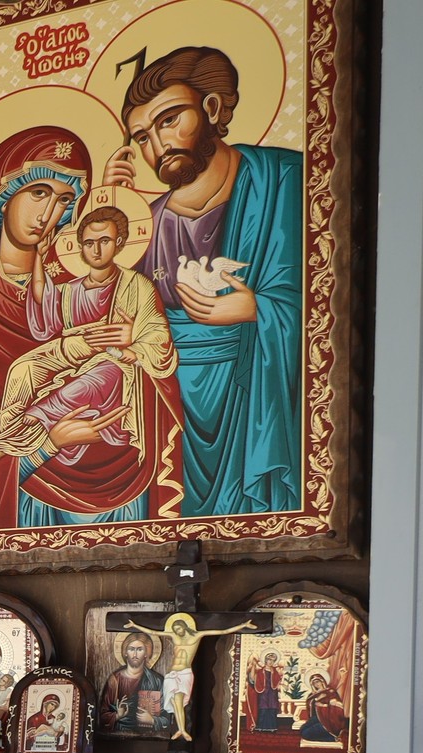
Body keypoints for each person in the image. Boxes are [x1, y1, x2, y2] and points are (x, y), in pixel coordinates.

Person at [104, 46, 301, 517]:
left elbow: (324, 306)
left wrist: (258, 309)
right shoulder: (141, 228)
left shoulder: (286, 181)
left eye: (170, 119)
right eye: (142, 137)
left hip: (251, 400)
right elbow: (109, 322)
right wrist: (109, 207)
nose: (158, 144)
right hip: (173, 415)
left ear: (211, 109)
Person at [0, 204, 181, 526]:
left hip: (115, 363)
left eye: (104, 241)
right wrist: (39, 256)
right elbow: (44, 309)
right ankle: (11, 435)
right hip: (71, 353)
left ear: (120, 242)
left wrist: (130, 341)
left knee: (91, 380)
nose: (96, 249)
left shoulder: (137, 286)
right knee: (21, 368)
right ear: (79, 247)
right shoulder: (70, 290)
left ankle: (35, 424)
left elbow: (158, 335)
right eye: (89, 243)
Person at [123, 612, 259, 742]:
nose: (177, 632)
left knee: (180, 701)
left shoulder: (197, 636)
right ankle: (181, 730)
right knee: (176, 703)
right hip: (172, 674)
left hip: (184, 673)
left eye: (179, 629)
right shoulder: (175, 637)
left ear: (184, 627)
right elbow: (154, 632)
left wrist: (243, 625)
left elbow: (221, 631)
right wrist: (134, 626)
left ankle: (182, 730)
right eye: (175, 629)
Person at [102, 633, 166, 735]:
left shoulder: (157, 681)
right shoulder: (115, 680)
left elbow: (167, 718)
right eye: (131, 649)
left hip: (149, 736)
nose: (135, 654)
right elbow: (102, 716)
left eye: (140, 649)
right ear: (125, 652)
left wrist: (152, 720)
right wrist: (118, 715)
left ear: (146, 653)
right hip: (119, 737)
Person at [299, 672, 346, 742]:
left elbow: (338, 708)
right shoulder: (313, 694)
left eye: (317, 681)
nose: (316, 684)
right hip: (317, 718)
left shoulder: (330, 692)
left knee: (305, 734)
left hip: (328, 721)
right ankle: (326, 735)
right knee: (302, 730)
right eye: (314, 683)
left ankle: (331, 738)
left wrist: (323, 706)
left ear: (322, 681)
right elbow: (310, 704)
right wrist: (315, 700)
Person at [244, 651, 283, 734]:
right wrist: (253, 666)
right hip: (263, 694)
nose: (271, 662)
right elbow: (253, 680)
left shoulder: (275, 671)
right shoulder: (259, 671)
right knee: (263, 710)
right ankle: (261, 727)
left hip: (272, 694)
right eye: (269, 660)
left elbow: (278, 680)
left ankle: (272, 727)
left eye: (273, 660)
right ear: (266, 660)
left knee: (272, 710)